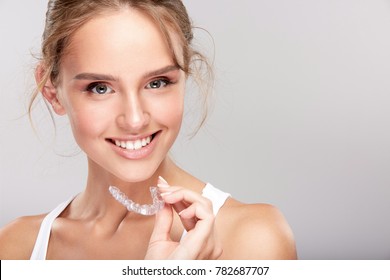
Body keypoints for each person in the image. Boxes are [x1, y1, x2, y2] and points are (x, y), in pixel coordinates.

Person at [0, 0, 296, 260]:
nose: (134, 119)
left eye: (157, 83)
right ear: (52, 91)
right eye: (100, 88)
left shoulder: (252, 240)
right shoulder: (16, 249)